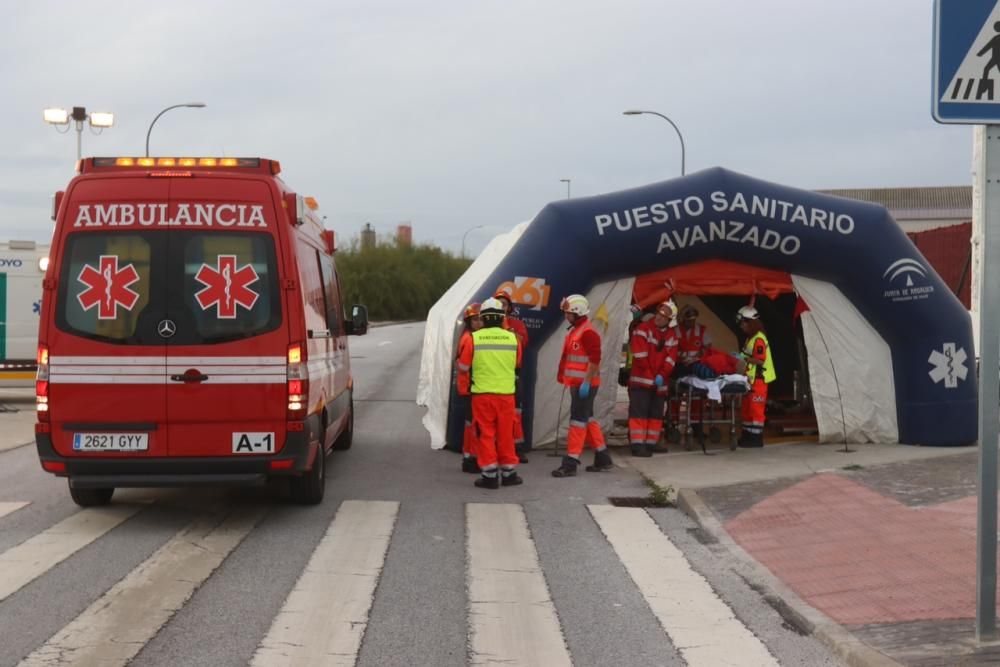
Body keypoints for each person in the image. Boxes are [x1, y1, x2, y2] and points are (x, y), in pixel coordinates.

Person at [456, 298, 523, 488]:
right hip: (507, 395)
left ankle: (490, 475)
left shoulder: (473, 339)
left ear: (484, 318)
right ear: (502, 317)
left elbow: (463, 367)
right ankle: (509, 474)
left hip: (482, 396)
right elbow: (517, 364)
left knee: (485, 434)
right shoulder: (513, 338)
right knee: (506, 435)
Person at [552, 294, 614, 477]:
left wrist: (586, 382)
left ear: (577, 313)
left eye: (568, 313)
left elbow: (595, 360)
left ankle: (571, 462)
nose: (565, 316)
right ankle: (603, 457)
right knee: (588, 419)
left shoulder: (587, 332)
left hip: (584, 385)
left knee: (577, 421)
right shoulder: (578, 329)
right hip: (579, 384)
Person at [627, 301, 679, 457]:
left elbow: (671, 359)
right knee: (639, 414)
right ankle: (637, 445)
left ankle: (650, 443)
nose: (659, 318)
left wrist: (662, 376)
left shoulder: (672, 336)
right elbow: (640, 356)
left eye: (664, 316)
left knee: (656, 415)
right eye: (659, 314)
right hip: (641, 381)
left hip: (659, 384)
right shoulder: (642, 330)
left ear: (670, 321)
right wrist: (652, 377)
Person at [494, 288, 531, 463]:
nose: (501, 307)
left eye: (504, 304)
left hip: (513, 374)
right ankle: (494, 448)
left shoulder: (517, 325)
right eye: (498, 304)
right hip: (492, 375)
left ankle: (517, 448)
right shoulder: (487, 325)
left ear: (510, 307)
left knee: (515, 413)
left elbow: (521, 343)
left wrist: (506, 327)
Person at [735, 305, 775, 448]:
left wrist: (743, 359)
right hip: (750, 380)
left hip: (759, 380)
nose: (741, 326)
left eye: (743, 323)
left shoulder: (758, 339)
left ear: (750, 322)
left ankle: (755, 439)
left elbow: (759, 360)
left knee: (755, 410)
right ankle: (747, 436)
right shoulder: (750, 339)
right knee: (747, 409)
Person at [675, 304, 713, 446]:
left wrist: (698, 356)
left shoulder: (701, 330)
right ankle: (674, 425)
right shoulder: (675, 331)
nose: (691, 322)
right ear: (682, 319)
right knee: (676, 396)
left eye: (693, 320)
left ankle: (697, 427)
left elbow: (707, 347)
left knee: (697, 397)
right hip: (678, 367)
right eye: (688, 320)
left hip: (695, 366)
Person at [455, 302, 483, 473]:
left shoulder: (467, 336)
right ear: (469, 322)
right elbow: (464, 366)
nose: (479, 323)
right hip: (471, 388)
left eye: (481, 320)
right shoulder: (470, 338)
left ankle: (468, 457)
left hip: (468, 388)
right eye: (475, 320)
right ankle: (471, 458)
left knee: (470, 425)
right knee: (473, 426)